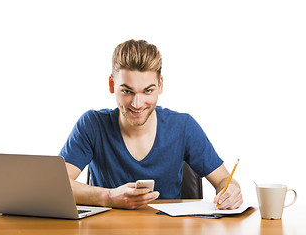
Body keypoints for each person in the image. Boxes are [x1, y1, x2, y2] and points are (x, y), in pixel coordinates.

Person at [59, 39, 243, 210]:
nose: (137, 104)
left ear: (160, 85)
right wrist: (109, 197)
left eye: (148, 91)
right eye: (127, 91)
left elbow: (224, 180)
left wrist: (231, 191)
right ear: (111, 84)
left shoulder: (183, 126)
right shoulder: (92, 125)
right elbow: (58, 183)